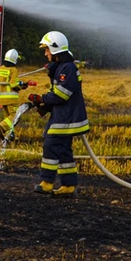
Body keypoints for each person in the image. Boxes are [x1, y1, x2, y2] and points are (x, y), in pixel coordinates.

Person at [26, 31, 89, 196]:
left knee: (50, 144)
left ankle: (47, 182)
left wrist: (42, 98)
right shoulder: (62, 67)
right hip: (63, 115)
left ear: (55, 49)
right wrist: (44, 105)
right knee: (63, 150)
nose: (45, 53)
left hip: (67, 117)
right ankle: (69, 186)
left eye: (47, 50)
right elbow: (58, 94)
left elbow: (62, 95)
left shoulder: (66, 68)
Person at [0, 49, 37, 140]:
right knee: (14, 117)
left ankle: (10, 135)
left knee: (7, 117)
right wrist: (21, 87)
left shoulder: (1, 68)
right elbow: (13, 84)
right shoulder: (13, 70)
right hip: (12, 99)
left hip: (2, 98)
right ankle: (1, 127)